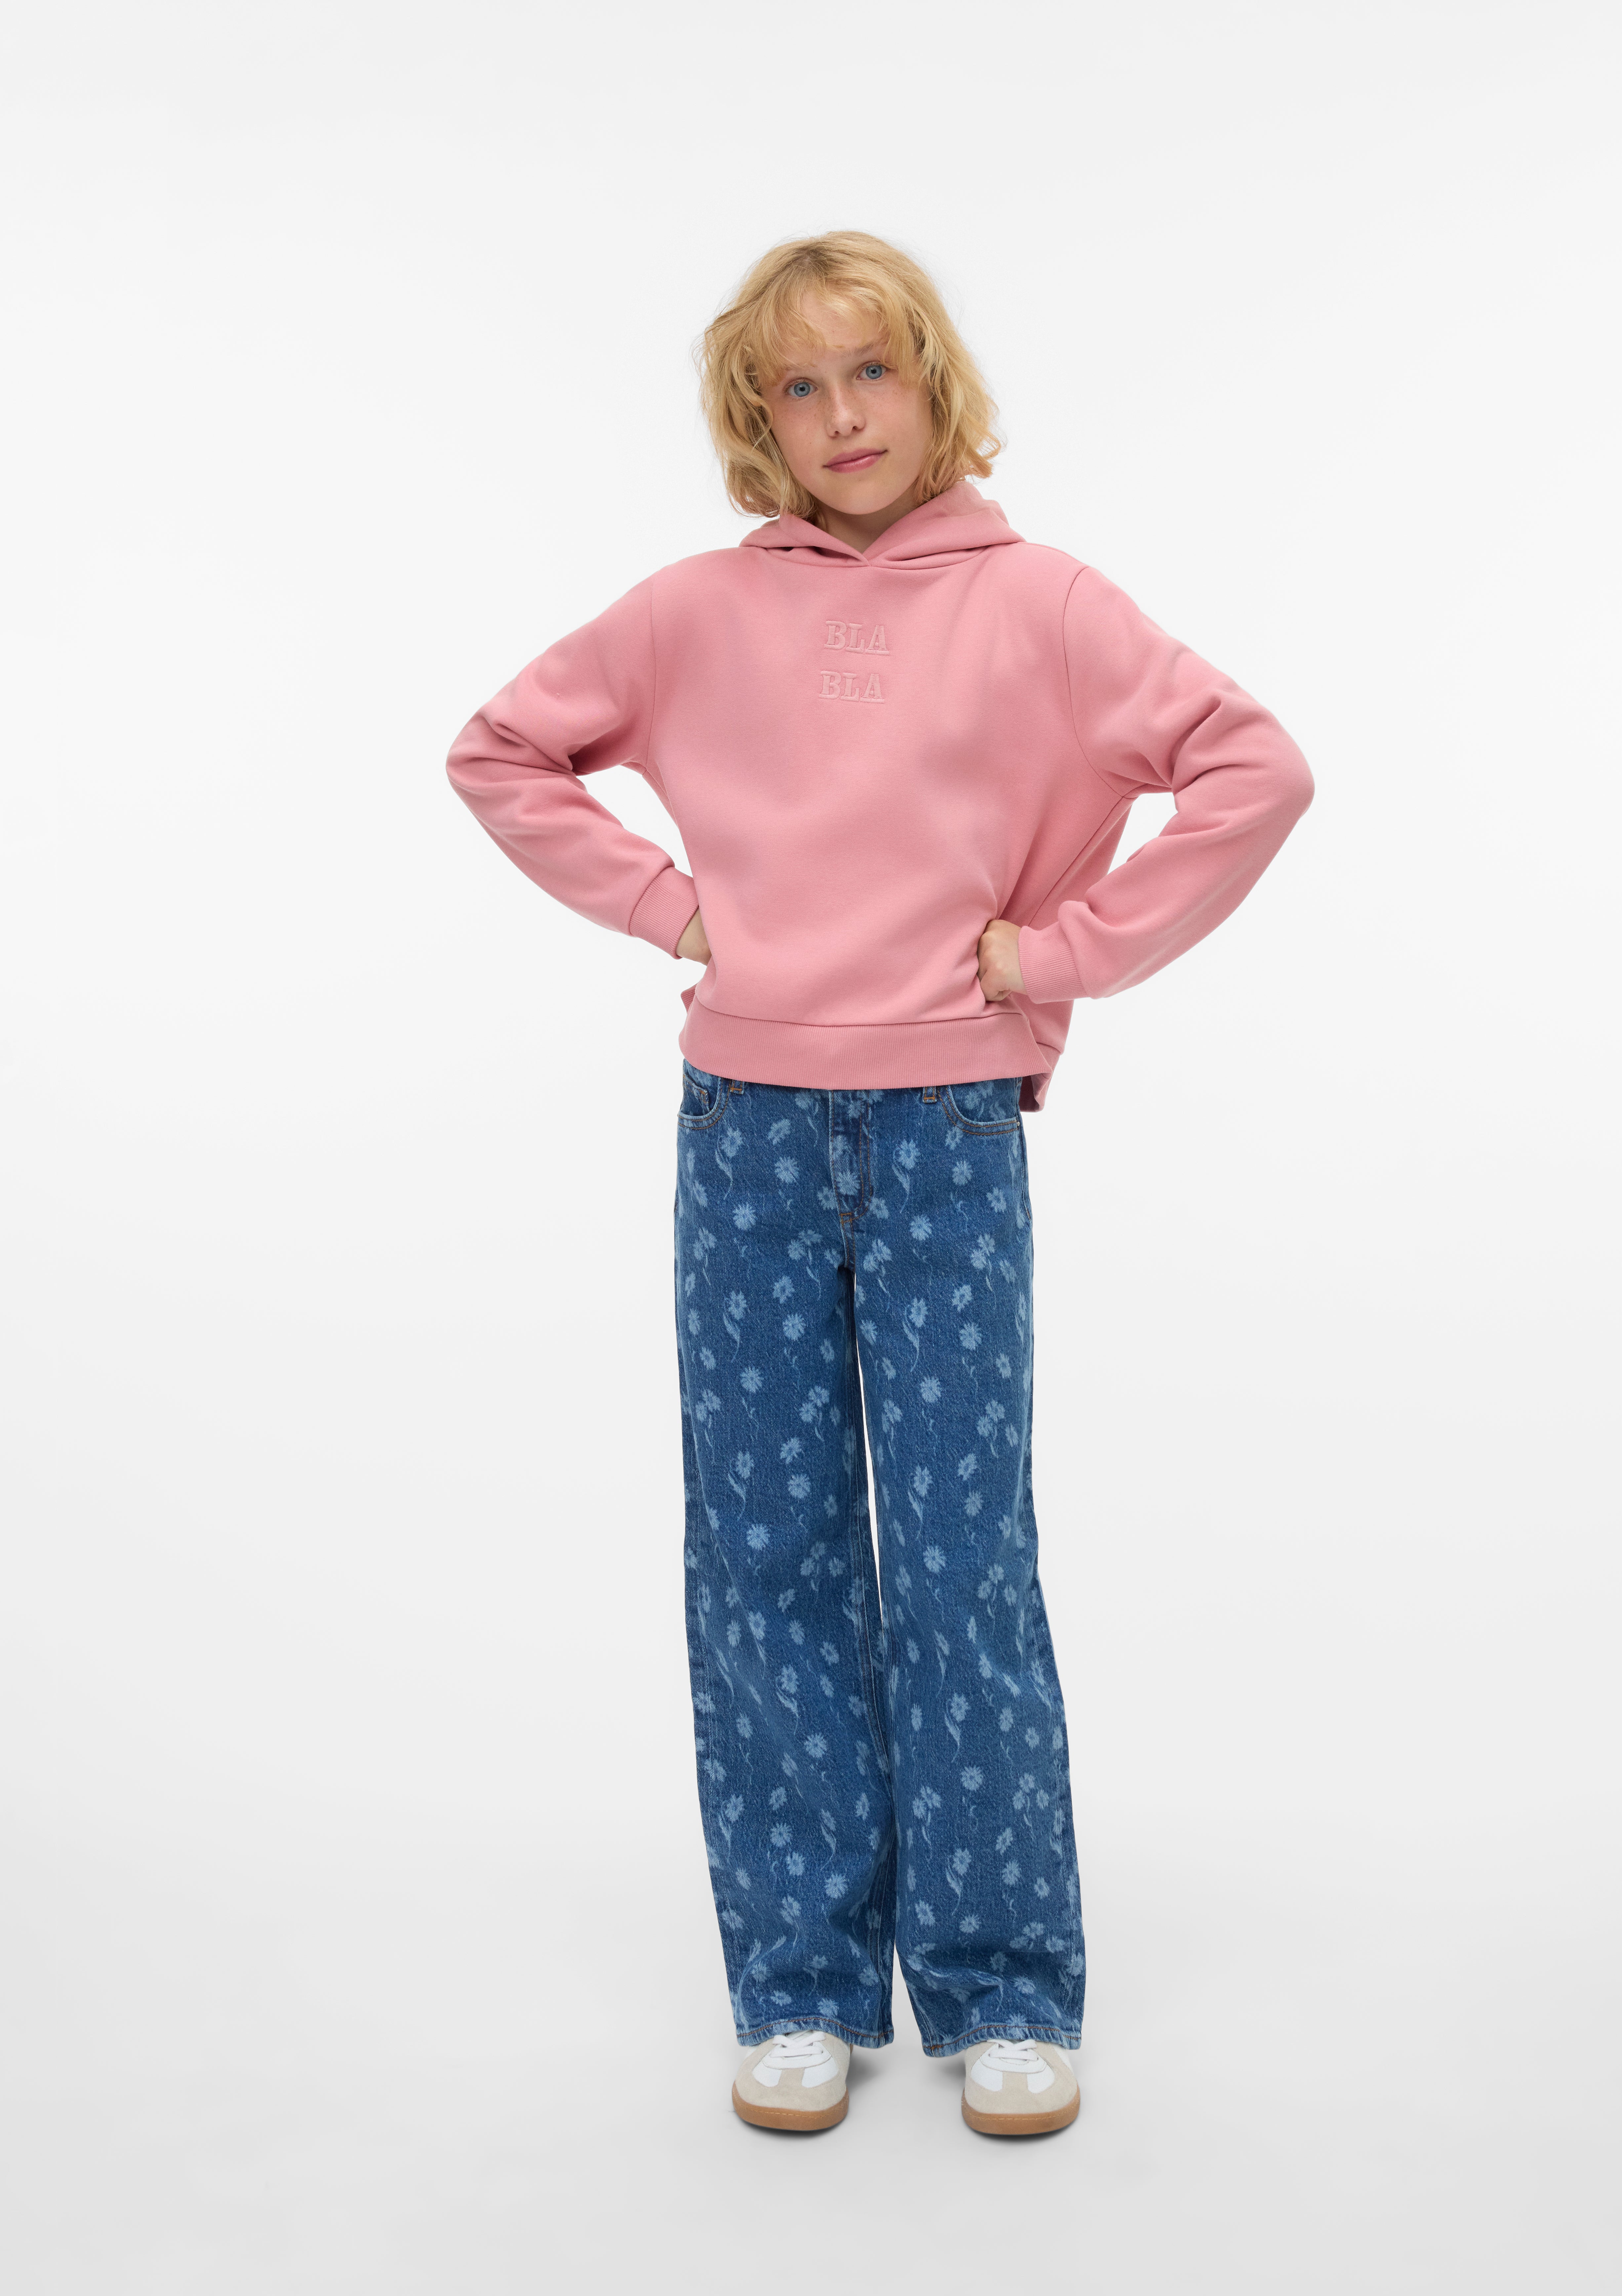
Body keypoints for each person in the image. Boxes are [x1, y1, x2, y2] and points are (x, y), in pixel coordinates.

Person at [445, 230, 1314, 2138]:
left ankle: (1001, 1987)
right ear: (756, 420)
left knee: (957, 1558)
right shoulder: (690, 612)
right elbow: (501, 751)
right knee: (763, 1557)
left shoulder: (1043, 603)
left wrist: (1063, 954)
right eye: (798, 386)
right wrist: (672, 907)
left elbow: (1252, 768)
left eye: (873, 372)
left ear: (933, 383)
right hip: (744, 1134)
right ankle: (801, 1983)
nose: (843, 416)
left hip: (943, 1139)